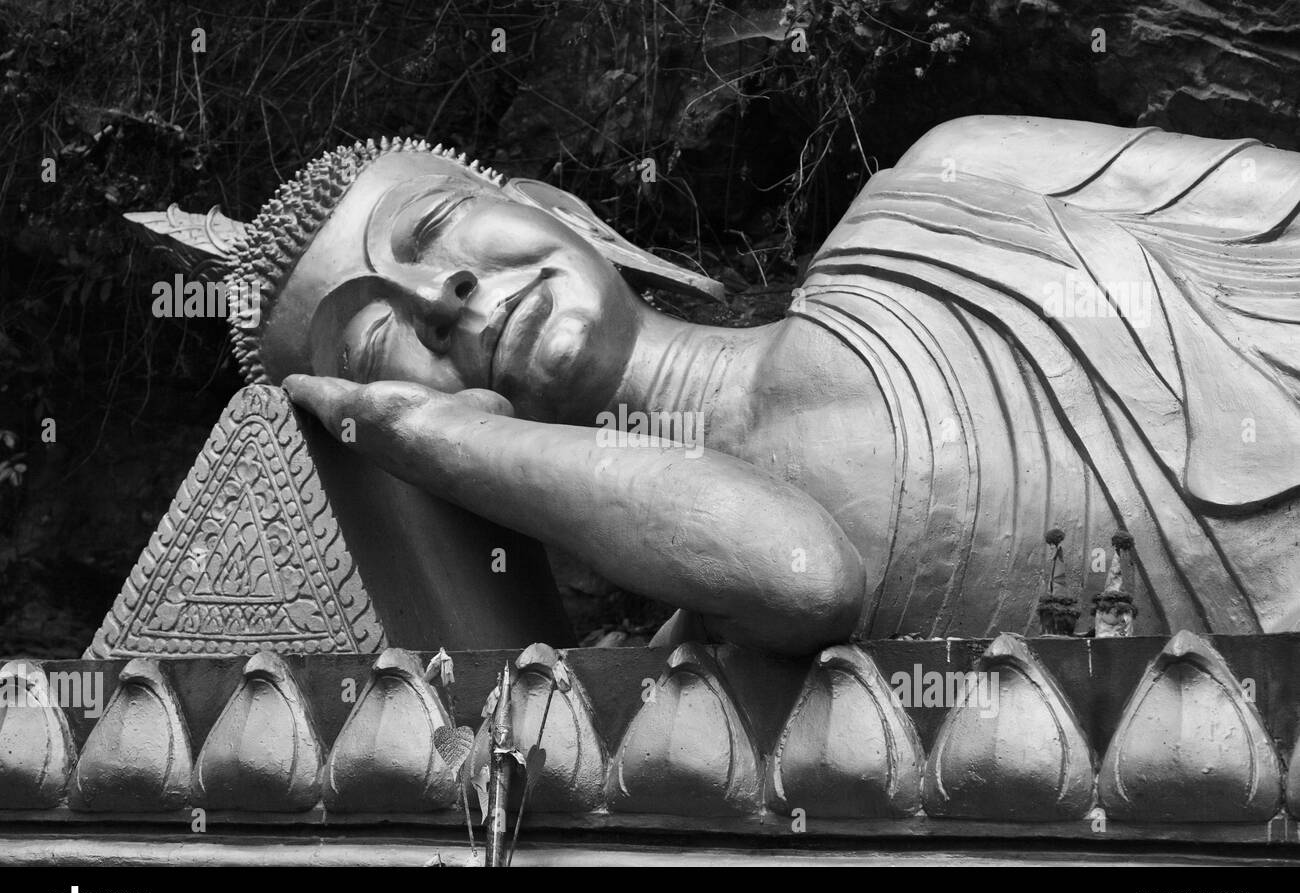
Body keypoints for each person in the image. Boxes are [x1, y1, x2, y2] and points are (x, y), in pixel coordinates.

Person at [134, 116, 1300, 655]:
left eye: (434, 229)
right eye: (375, 338)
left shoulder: (952, 183)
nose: (441, 296)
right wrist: (435, 445)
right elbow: (802, 574)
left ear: (560, 209)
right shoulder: (707, 666)